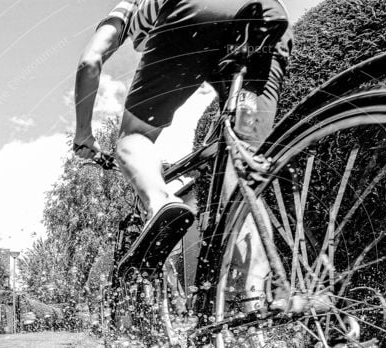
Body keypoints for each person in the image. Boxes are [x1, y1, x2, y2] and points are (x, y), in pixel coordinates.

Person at [73, 0, 292, 273]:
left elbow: (90, 60)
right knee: (242, 177)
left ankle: (161, 203)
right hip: (268, 17)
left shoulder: (130, 6)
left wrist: (84, 134)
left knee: (133, 137)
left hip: (196, 10)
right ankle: (257, 303)